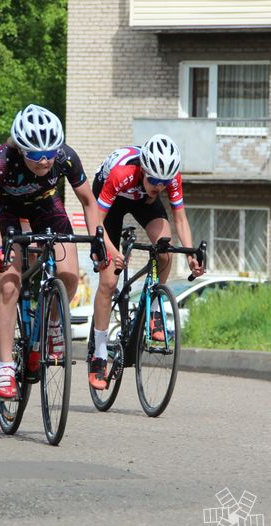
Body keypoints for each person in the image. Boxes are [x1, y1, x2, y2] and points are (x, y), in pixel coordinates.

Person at [0, 104, 105, 400]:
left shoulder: (65, 157)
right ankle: (6, 365)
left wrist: (98, 239)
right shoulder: (0, 163)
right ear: (21, 150)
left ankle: (51, 326)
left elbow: (88, 202)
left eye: (50, 152)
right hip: (5, 211)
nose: (45, 160)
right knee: (9, 282)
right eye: (36, 154)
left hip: (46, 206)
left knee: (70, 273)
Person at [88, 134, 205, 390]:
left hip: (142, 201)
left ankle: (154, 313)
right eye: (154, 180)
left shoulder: (167, 179)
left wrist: (190, 254)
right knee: (109, 280)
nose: (159, 186)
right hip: (111, 200)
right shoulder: (123, 173)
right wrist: (109, 248)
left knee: (165, 249)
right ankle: (98, 355)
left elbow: (180, 220)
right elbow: (95, 220)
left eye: (164, 182)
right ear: (144, 170)